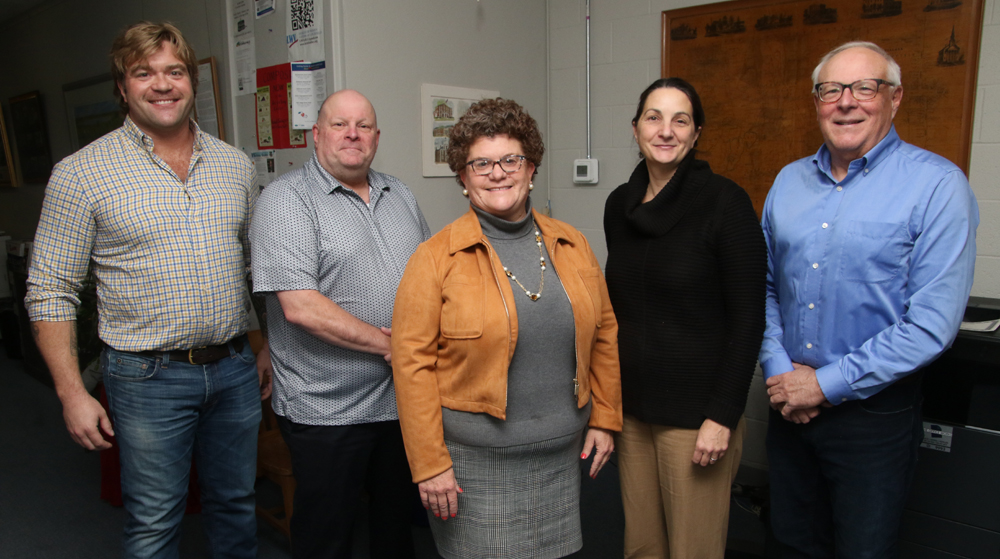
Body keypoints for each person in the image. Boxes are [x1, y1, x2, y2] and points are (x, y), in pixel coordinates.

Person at [25, 21, 267, 558]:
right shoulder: (81, 173)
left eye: (174, 71)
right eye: (144, 73)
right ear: (123, 86)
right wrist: (71, 393)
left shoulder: (234, 166)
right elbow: (49, 290)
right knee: (156, 523)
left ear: (192, 82)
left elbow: (249, 269)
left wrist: (260, 346)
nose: (162, 84)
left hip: (232, 371)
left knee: (236, 506)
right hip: (145, 378)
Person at [761, 41, 978, 558]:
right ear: (817, 101)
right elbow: (766, 286)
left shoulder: (938, 186)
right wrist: (780, 374)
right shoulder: (788, 182)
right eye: (831, 89)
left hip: (872, 419)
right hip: (787, 408)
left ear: (894, 98)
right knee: (789, 545)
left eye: (865, 88)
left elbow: (930, 326)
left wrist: (824, 386)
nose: (846, 102)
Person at [391, 97, 622, 559]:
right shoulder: (435, 258)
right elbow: (411, 363)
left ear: (531, 167)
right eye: (481, 164)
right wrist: (429, 463)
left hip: (560, 456)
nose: (497, 173)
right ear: (462, 176)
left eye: (510, 159)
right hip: (474, 463)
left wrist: (604, 416)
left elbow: (605, 333)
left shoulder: (571, 243)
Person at [250, 89, 429, 559]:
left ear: (376, 137)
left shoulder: (401, 193)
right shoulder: (286, 200)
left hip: (401, 399)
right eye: (339, 124)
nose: (352, 134)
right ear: (317, 135)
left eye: (363, 125)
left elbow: (430, 278)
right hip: (329, 410)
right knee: (328, 534)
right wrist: (397, 346)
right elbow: (301, 307)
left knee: (396, 525)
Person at [603, 77, 767, 558]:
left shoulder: (725, 202)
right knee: (642, 546)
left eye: (681, 120)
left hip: (696, 419)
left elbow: (749, 318)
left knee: (691, 550)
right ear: (635, 129)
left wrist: (722, 415)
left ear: (696, 134)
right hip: (633, 413)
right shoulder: (620, 205)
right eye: (654, 117)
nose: (666, 130)